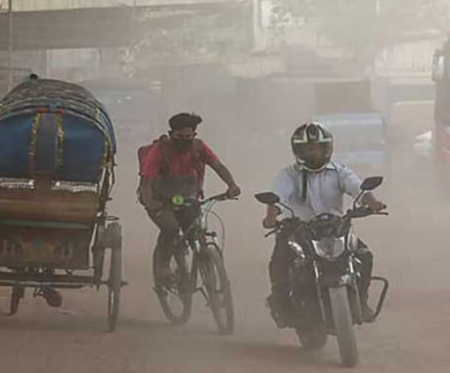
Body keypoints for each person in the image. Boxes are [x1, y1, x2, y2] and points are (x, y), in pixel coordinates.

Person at [262, 122, 385, 325]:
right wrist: (271, 218)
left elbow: (359, 190)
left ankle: (362, 302)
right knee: (280, 259)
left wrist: (373, 203)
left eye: (317, 148)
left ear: (326, 148)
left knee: (364, 255)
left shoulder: (339, 171)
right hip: (298, 228)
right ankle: (282, 305)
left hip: (335, 227)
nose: (313, 153)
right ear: (298, 150)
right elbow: (277, 198)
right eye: (308, 149)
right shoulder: (288, 174)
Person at [139, 112, 241, 282]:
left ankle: (205, 266)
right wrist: (151, 203)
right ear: (171, 134)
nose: (184, 140)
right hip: (161, 201)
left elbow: (218, 166)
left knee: (196, 231)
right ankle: (163, 265)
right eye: (180, 136)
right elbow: (146, 181)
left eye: (188, 136)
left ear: (194, 134)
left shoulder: (199, 148)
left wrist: (232, 185)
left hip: (189, 199)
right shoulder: (159, 151)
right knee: (170, 228)